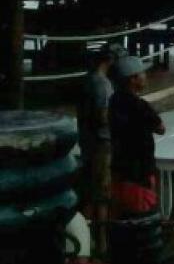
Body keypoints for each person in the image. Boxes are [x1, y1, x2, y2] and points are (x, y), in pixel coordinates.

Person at [108, 56, 165, 216]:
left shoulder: (113, 101)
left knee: (122, 214)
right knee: (142, 216)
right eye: (142, 74)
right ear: (133, 79)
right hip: (140, 172)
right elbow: (161, 128)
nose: (145, 77)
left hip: (119, 167)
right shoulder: (140, 106)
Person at [76, 47, 114, 251]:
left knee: (90, 192)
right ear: (109, 61)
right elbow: (103, 116)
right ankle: (101, 243)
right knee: (101, 196)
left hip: (88, 143)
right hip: (101, 145)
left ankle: (84, 241)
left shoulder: (87, 80)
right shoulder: (102, 84)